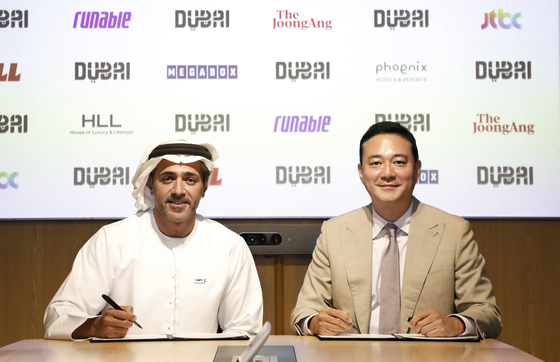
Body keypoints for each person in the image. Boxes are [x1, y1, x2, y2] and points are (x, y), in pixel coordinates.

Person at [291, 122, 502, 339]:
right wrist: (316, 322)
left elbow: (488, 313)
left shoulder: (454, 232)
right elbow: (303, 312)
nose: (388, 173)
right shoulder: (334, 232)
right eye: (375, 163)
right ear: (361, 172)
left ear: (417, 169)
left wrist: (456, 324)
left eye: (399, 162)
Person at [44, 139, 263, 340]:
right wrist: (95, 326)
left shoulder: (229, 247)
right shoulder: (112, 240)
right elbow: (58, 317)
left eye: (190, 180)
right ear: (151, 184)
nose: (178, 190)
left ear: (204, 188)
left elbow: (245, 330)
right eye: (167, 179)